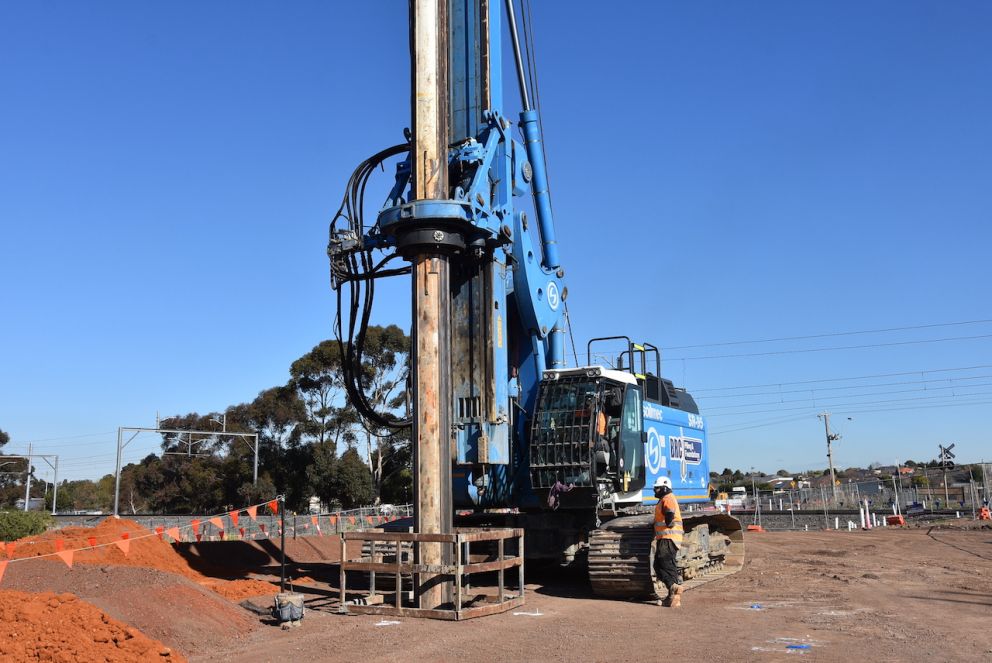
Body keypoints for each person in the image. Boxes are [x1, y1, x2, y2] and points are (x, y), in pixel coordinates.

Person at [652, 476, 684, 607]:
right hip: (665, 537)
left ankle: (674, 588)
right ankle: (673, 595)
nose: (655, 490)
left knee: (665, 561)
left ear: (665, 487)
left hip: (669, 536)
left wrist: (669, 522)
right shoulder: (664, 499)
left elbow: (670, 513)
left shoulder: (668, 498)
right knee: (659, 565)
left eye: (657, 488)